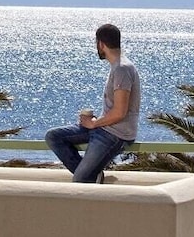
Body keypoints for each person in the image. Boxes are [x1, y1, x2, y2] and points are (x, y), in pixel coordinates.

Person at [45, 23, 141, 183]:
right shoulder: (118, 67)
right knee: (53, 136)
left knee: (80, 180)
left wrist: (94, 124)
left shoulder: (122, 69)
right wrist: (95, 121)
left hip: (116, 134)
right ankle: (92, 175)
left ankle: (87, 176)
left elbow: (120, 112)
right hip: (105, 128)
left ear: (101, 44)